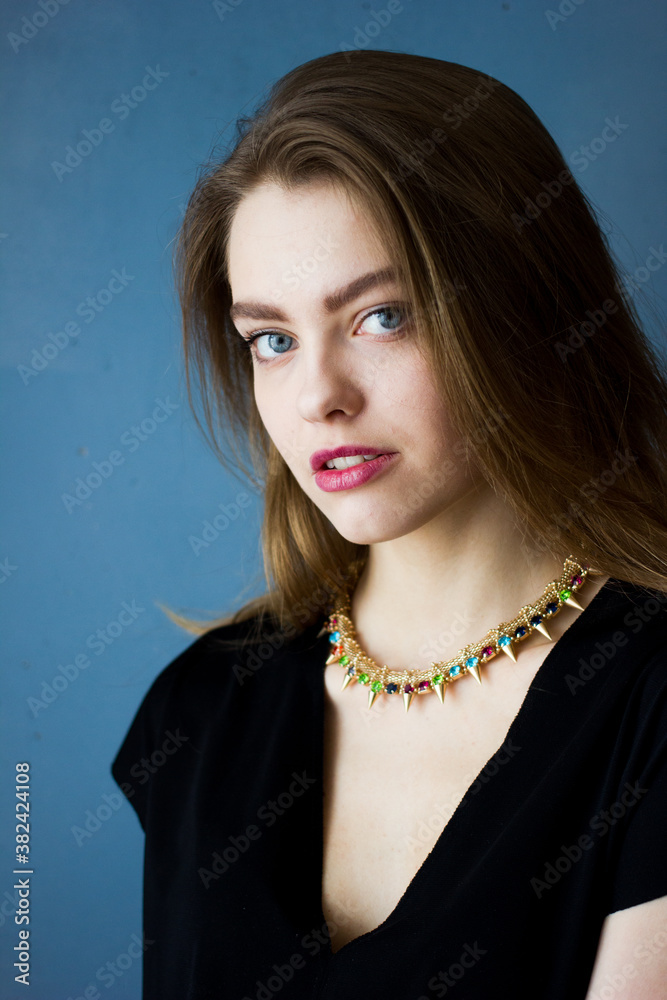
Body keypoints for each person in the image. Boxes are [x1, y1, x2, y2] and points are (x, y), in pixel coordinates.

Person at [111, 50, 667, 999]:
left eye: (381, 317)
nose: (318, 395)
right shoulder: (197, 715)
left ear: (524, 308)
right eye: (272, 340)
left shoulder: (649, 706)